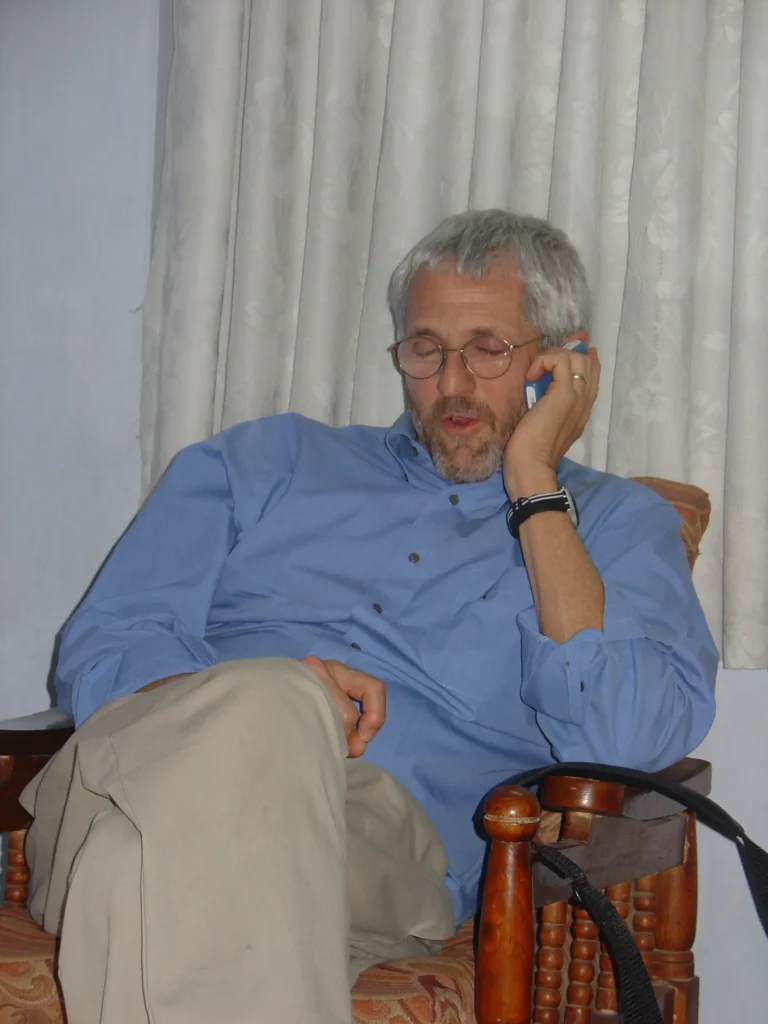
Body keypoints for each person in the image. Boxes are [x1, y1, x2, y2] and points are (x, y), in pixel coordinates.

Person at [21, 209, 717, 1024]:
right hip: (128, 781)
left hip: (376, 854)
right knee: (267, 709)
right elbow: (105, 643)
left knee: (123, 871)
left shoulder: (612, 526)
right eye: (425, 349)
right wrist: (270, 703)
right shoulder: (265, 462)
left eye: (488, 349)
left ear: (562, 366)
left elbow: (626, 735)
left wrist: (535, 486)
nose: (452, 384)